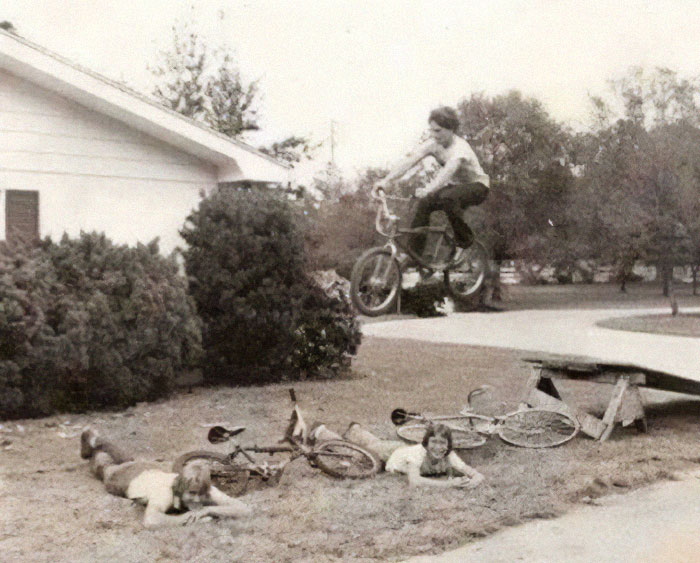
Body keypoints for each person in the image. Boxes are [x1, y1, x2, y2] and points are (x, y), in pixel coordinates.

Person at [373, 106, 489, 263]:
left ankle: (465, 241)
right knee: (424, 203)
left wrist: (429, 189)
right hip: (456, 188)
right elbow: (409, 161)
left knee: (448, 198)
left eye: (438, 131)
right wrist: (386, 181)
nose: (434, 135)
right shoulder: (433, 143)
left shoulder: (460, 149)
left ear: (451, 129)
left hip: (478, 187)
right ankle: (414, 255)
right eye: (432, 130)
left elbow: (447, 173)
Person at [80, 427, 252, 528]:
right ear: (181, 485)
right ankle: (92, 441)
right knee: (104, 464)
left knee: (127, 459)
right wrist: (185, 520)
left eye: (198, 495)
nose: (195, 501)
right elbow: (151, 521)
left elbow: (245, 509)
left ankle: (95, 438)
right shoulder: (164, 492)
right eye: (191, 495)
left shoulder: (203, 488)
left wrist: (210, 510)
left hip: (147, 469)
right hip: (122, 477)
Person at [311, 422, 484, 489]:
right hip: (389, 454)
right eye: (434, 442)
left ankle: (356, 430)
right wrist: (450, 484)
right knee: (354, 453)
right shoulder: (418, 454)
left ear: (448, 445)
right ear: (426, 442)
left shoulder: (449, 455)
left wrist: (476, 478)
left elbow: (473, 472)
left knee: (373, 444)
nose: (438, 448)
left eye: (442, 443)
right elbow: (414, 481)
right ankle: (321, 431)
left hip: (398, 450)